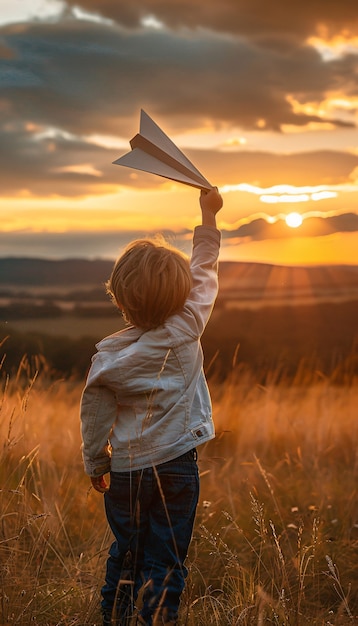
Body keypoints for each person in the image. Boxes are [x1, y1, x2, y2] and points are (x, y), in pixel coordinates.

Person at [80, 187, 223, 626]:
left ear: (121, 299)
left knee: (126, 553)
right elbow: (204, 274)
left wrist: (95, 461)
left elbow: (94, 414)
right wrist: (208, 218)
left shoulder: (107, 359)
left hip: (124, 472)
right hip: (175, 468)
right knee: (166, 560)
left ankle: (113, 618)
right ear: (179, 296)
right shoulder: (186, 329)